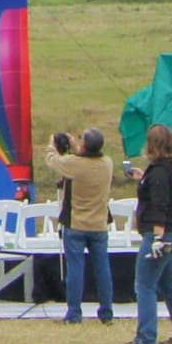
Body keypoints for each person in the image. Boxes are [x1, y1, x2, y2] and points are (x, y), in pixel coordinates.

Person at [125, 124, 172, 344]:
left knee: (144, 285)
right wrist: (143, 177)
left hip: (161, 233)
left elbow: (159, 204)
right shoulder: (171, 170)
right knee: (169, 284)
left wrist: (156, 237)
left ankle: (146, 337)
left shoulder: (158, 174)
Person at [50, 128, 118, 325]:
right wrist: (74, 146)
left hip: (76, 224)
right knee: (102, 269)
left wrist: (51, 146)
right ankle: (106, 312)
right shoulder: (107, 163)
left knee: (76, 270)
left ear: (85, 145)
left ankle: (74, 313)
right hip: (99, 225)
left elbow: (55, 160)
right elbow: (82, 159)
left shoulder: (74, 164)